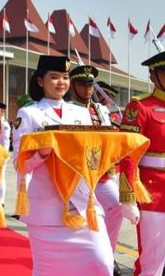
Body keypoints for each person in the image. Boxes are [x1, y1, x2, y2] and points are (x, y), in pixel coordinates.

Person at [13, 55, 113, 275]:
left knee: (102, 263)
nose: (61, 83)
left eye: (65, 77)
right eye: (54, 77)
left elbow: (91, 153)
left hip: (82, 203)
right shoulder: (28, 114)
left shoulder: (80, 112)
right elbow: (19, 165)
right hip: (47, 209)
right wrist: (41, 154)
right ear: (40, 81)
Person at [69, 65, 124, 275]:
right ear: (73, 86)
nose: (88, 89)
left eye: (90, 84)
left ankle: (108, 253)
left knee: (118, 204)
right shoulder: (66, 108)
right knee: (77, 219)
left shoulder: (100, 110)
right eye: (83, 84)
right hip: (75, 176)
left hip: (100, 175)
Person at [120, 50, 165, 276]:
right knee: (152, 259)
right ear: (153, 76)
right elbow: (128, 155)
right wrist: (127, 197)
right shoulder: (140, 108)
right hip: (153, 194)